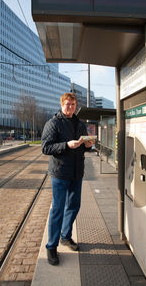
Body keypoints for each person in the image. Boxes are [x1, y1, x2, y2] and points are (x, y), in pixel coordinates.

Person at [41, 92, 94, 265]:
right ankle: (51, 246)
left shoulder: (79, 124)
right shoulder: (53, 123)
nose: (70, 107)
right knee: (57, 209)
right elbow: (46, 148)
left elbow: (83, 148)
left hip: (76, 173)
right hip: (60, 173)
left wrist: (88, 145)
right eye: (67, 104)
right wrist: (66, 145)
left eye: (72, 104)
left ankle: (65, 236)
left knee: (73, 205)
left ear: (75, 105)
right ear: (62, 104)